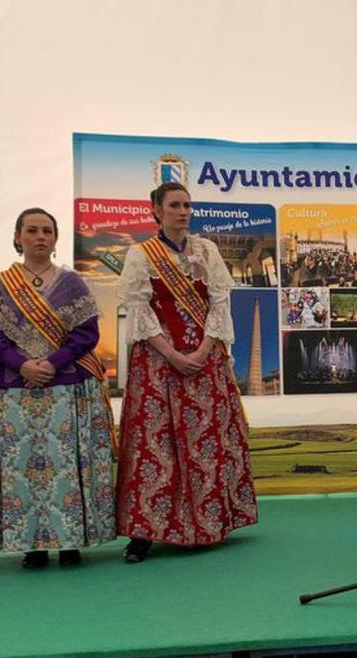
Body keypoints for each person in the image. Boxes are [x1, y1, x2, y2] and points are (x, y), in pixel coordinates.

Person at [116, 182, 258, 562]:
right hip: (158, 364)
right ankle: (145, 531)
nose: (183, 211)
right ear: (156, 211)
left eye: (187, 205)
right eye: (175, 205)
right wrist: (171, 354)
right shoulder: (140, 254)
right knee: (155, 444)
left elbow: (219, 302)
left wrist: (203, 349)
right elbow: (139, 309)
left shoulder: (207, 250)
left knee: (206, 441)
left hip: (204, 359)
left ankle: (211, 522)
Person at [0, 207, 117, 568]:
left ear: (55, 239)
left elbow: (87, 334)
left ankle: (70, 542)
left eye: (47, 231)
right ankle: (31, 545)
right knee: (20, 467)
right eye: (32, 230)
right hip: (13, 386)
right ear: (18, 237)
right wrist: (21, 363)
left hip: (65, 384)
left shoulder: (72, 283)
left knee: (65, 465)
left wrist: (51, 362)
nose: (40, 237)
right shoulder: (2, 285)